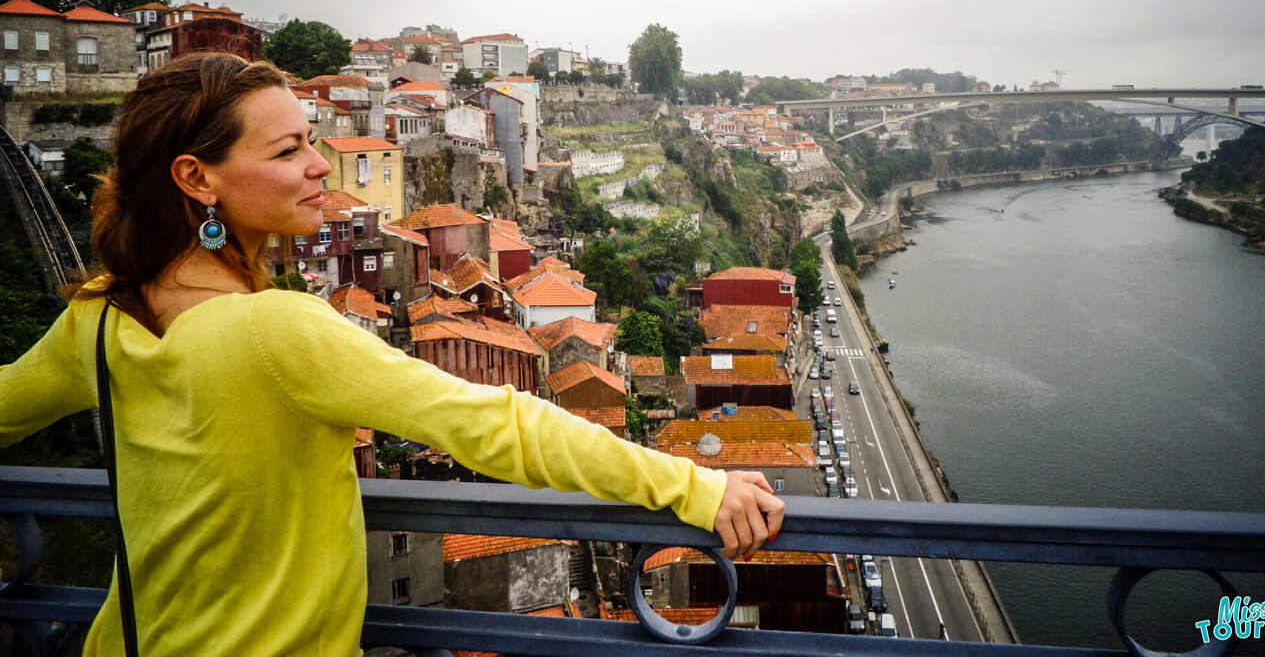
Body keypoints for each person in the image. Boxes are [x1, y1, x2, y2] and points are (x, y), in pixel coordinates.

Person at [1, 53, 785, 655]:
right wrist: (690, 485)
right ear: (195, 178)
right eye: (288, 151)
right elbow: (495, 425)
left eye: (313, 140)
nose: (318, 166)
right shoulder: (279, 330)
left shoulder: (100, 320)